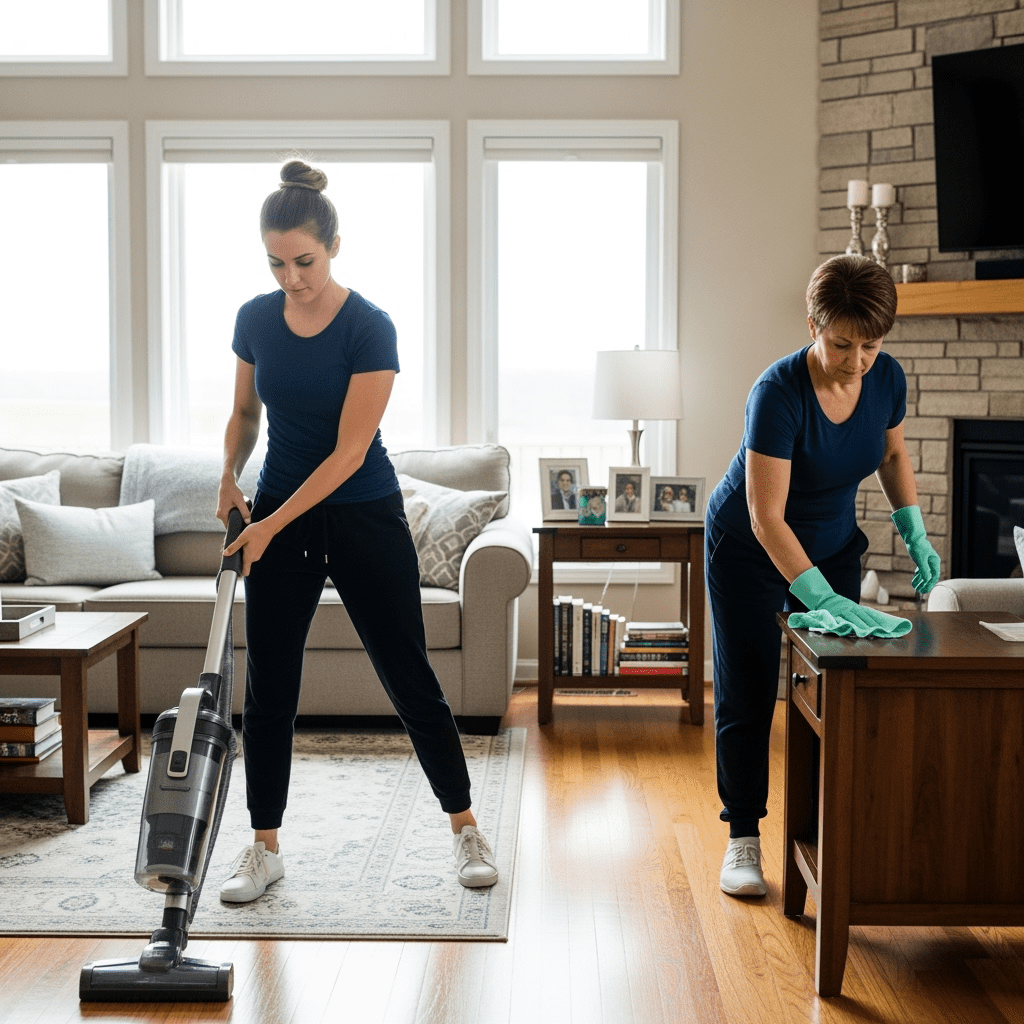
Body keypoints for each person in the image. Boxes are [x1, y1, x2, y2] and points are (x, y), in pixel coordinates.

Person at [215, 160, 499, 904]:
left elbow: (347, 453)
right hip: (279, 505)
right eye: (276, 263)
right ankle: (263, 846)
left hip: (362, 509)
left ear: (334, 244)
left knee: (410, 678)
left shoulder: (369, 327)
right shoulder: (253, 318)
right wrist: (227, 476)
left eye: (303, 261)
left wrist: (271, 523)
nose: (291, 277)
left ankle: (465, 825)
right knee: (270, 685)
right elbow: (247, 416)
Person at [705, 254, 941, 898]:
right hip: (750, 545)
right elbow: (765, 516)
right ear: (813, 324)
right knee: (751, 686)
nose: (857, 359)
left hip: (834, 541)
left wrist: (914, 530)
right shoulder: (777, 393)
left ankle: (833, 830)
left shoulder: (886, 377)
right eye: (842, 343)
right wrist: (819, 596)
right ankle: (744, 837)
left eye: (871, 344)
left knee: (840, 689)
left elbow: (892, 451)